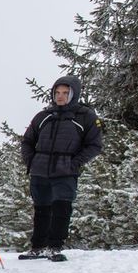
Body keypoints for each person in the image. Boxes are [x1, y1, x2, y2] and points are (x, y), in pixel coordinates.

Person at [19, 75, 104, 261]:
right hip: (39, 170)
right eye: (57, 92)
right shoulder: (43, 116)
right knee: (41, 209)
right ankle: (38, 247)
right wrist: (31, 161)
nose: (60, 96)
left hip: (65, 171)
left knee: (61, 208)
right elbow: (27, 141)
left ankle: (54, 247)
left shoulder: (85, 117)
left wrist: (74, 163)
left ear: (74, 94)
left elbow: (95, 145)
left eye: (65, 93)